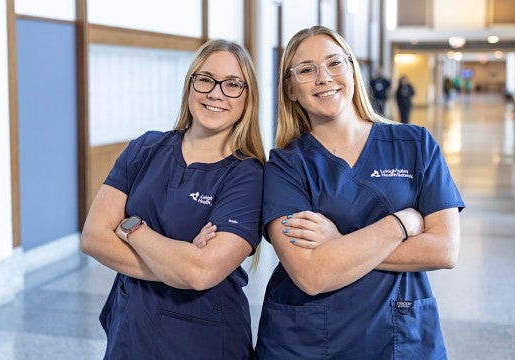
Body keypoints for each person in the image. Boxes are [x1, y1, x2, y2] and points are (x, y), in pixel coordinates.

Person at [254, 25, 465, 360]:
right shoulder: (285, 166)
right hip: (308, 342)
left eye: (335, 63)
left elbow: (444, 249)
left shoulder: (416, 145)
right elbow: (311, 274)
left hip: (399, 336)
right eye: (307, 70)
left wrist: (337, 244)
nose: (324, 78)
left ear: (352, 69)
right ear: (291, 89)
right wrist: (400, 224)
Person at [81, 39, 265, 360]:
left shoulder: (248, 175)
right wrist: (177, 265)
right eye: (205, 79)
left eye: (233, 84)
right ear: (190, 84)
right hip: (131, 333)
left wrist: (132, 230)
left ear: (248, 97)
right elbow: (94, 237)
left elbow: (201, 273)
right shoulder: (144, 149)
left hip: (204, 340)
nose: (216, 93)